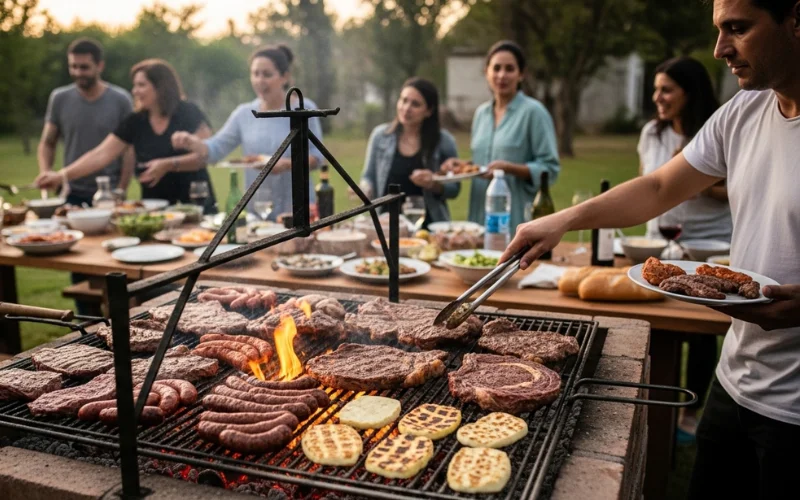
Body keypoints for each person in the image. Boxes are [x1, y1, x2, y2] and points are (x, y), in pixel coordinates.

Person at [501, 0, 800, 497]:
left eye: (738, 29)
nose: (720, 48)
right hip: (737, 381)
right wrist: (563, 219)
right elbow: (660, 187)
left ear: (795, 18)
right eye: (718, 29)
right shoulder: (744, 112)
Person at [638, 56, 731, 439]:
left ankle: (689, 412)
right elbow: (649, 184)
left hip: (707, 247)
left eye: (667, 90)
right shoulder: (652, 134)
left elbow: (734, 190)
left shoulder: (716, 130)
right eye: (656, 88)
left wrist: (692, 179)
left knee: (701, 328)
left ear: (689, 94)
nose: (658, 97)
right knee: (659, 321)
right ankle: (659, 405)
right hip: (660, 243)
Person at [36, 59, 216, 212]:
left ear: (161, 87)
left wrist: (168, 165)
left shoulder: (188, 112)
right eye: (135, 85)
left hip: (196, 202)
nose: (135, 91)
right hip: (156, 208)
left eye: (141, 85)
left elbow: (207, 154)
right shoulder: (136, 121)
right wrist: (61, 176)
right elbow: (100, 154)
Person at [172, 45, 323, 219]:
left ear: (285, 77)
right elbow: (215, 149)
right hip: (257, 211)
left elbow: (317, 156)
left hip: (297, 208)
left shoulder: (304, 109)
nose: (260, 80)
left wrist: (286, 164)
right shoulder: (244, 113)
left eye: (267, 74)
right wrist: (192, 142)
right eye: (255, 74)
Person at [443, 40, 559, 233]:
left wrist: (510, 168)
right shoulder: (481, 114)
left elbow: (550, 169)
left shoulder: (534, 113)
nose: (502, 75)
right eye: (496, 68)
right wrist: (462, 166)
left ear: (521, 74)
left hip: (515, 221)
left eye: (509, 69)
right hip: (479, 218)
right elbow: (485, 163)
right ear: (486, 72)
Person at [37, 37, 134, 207]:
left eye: (84, 67)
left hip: (107, 191)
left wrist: (122, 189)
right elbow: (48, 142)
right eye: (73, 66)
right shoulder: (59, 98)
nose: (77, 72)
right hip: (70, 189)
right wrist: (47, 174)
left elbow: (128, 150)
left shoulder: (121, 100)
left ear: (100, 66)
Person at [360, 77, 459, 225]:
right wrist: (365, 188)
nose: (406, 108)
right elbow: (368, 177)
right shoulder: (380, 136)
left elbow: (454, 189)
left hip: (428, 226)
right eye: (404, 100)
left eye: (415, 104)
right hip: (386, 226)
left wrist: (433, 183)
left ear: (429, 111)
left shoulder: (444, 141)